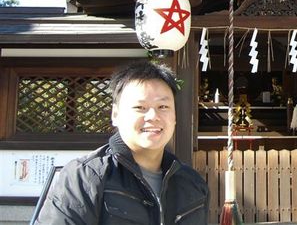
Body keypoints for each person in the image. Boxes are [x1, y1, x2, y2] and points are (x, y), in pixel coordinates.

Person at [33, 60, 209, 224]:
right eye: (140, 107)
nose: (153, 117)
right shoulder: (86, 177)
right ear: (115, 115)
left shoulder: (193, 184)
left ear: (175, 116)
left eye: (163, 107)